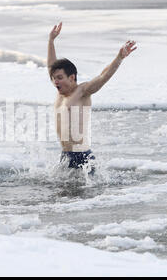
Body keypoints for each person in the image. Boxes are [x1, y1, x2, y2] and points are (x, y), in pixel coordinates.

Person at [47, 22, 137, 174]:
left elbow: (103, 76)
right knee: (62, 195)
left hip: (82, 157)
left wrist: (119, 57)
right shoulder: (59, 90)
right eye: (54, 78)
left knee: (84, 196)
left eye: (60, 77)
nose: (55, 81)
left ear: (72, 77)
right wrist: (51, 41)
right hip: (65, 155)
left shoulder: (83, 91)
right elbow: (51, 66)